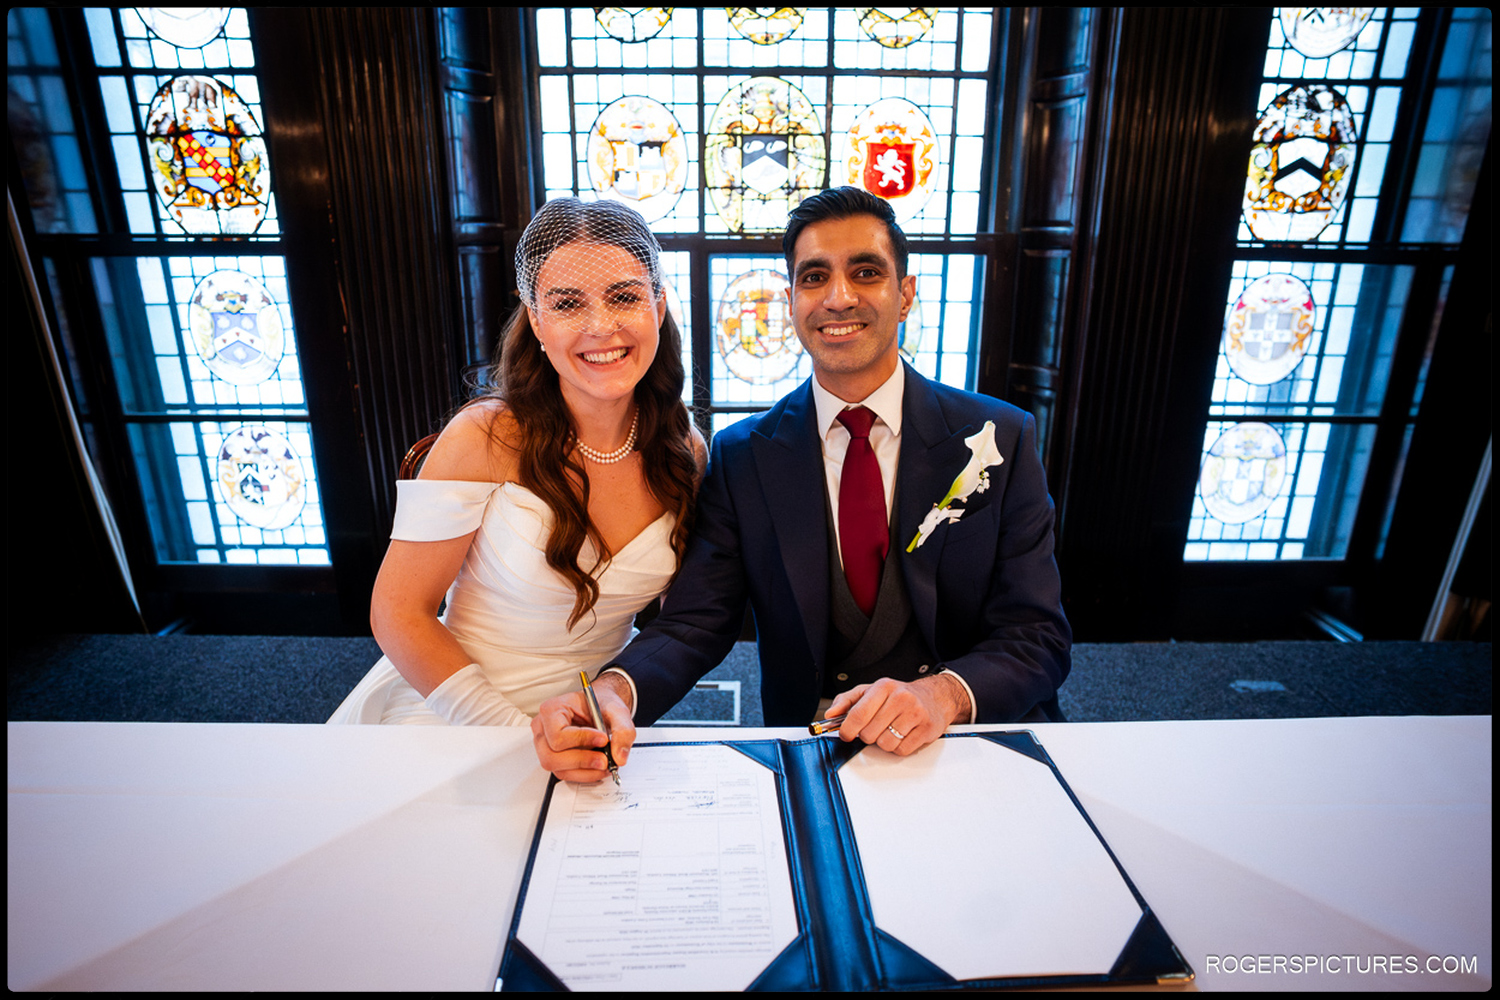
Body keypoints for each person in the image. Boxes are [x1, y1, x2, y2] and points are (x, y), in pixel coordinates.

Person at [533, 186, 1070, 780]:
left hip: (973, 734)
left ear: (905, 295)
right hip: (817, 742)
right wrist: (612, 693)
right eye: (815, 278)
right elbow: (694, 622)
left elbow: (1037, 635)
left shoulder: (1000, 438)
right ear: (791, 303)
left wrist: (943, 695)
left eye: (866, 272)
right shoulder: (743, 455)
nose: (838, 297)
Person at [328, 198, 701, 726]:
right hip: (458, 706)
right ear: (537, 321)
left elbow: (683, 623)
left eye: (623, 297)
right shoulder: (484, 436)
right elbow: (398, 612)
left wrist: (608, 708)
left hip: (598, 716)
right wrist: (511, 734)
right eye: (568, 304)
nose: (601, 325)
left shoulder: (684, 452)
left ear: (658, 308)